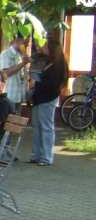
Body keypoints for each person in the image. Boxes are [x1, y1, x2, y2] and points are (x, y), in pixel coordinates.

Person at [28, 38, 69, 166]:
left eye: (45, 46)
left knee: (46, 127)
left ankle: (46, 157)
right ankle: (36, 155)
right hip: (38, 98)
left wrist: (36, 83)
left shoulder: (57, 65)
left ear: (52, 49)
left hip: (48, 98)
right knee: (36, 126)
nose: (43, 48)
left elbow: (52, 85)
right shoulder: (47, 61)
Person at [0, 35, 30, 111]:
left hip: (20, 97)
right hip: (10, 96)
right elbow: (5, 73)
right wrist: (23, 63)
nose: (26, 46)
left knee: (17, 118)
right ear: (17, 41)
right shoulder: (6, 54)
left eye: (27, 44)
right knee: (9, 117)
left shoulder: (20, 55)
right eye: (25, 43)